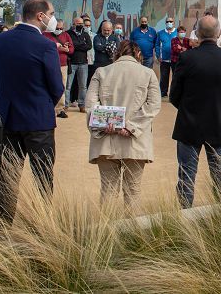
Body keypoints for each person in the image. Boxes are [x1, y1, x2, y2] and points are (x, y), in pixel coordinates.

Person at [0, 0, 65, 217]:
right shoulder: (46, 45)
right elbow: (56, 86)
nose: (52, 19)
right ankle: (42, 221)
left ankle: (4, 222)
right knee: (42, 175)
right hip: (38, 120)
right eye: (51, 14)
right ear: (40, 16)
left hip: (7, 117)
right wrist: (43, 104)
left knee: (8, 174)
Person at [169, 15, 221, 208]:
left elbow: (174, 94)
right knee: (219, 174)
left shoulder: (186, 58)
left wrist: (188, 109)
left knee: (187, 175)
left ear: (197, 33)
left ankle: (185, 214)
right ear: (218, 34)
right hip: (219, 124)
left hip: (190, 125)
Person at [86, 40, 161, 205]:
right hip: (135, 141)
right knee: (133, 192)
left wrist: (107, 123)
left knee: (108, 192)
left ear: (117, 53)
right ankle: (132, 231)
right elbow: (153, 106)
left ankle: (106, 231)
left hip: (106, 140)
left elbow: (91, 105)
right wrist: (130, 127)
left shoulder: (101, 72)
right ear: (138, 54)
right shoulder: (148, 73)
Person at [43, 16, 74, 119]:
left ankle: (60, 109)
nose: (59, 30)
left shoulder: (66, 35)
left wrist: (66, 50)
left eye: (61, 28)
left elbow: (72, 49)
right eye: (57, 28)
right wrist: (55, 46)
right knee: (47, 86)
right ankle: (48, 108)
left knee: (62, 87)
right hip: (49, 64)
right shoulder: (45, 35)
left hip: (63, 65)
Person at [65, 16, 92, 112]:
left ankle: (82, 105)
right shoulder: (68, 34)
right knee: (68, 86)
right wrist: (81, 44)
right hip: (71, 63)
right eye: (78, 23)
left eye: (81, 24)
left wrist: (76, 45)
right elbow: (70, 45)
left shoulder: (85, 34)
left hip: (83, 63)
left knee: (83, 86)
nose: (80, 25)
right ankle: (66, 104)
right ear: (73, 24)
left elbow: (89, 46)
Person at [154, 16, 179, 98]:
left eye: (171, 21)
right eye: (168, 21)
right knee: (164, 77)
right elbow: (157, 45)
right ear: (165, 23)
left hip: (175, 59)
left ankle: (174, 94)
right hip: (164, 59)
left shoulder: (177, 32)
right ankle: (163, 93)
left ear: (174, 23)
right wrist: (158, 56)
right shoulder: (160, 33)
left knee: (176, 77)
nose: (169, 23)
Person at [92, 20, 121, 86]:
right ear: (101, 29)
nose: (106, 32)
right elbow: (97, 47)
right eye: (104, 30)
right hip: (99, 66)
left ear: (112, 29)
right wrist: (110, 47)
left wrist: (103, 47)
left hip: (111, 65)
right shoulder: (97, 37)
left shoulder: (115, 38)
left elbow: (118, 48)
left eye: (108, 30)